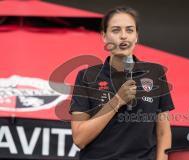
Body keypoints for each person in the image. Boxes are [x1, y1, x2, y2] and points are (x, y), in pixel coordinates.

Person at [69, 6, 175, 160]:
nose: (123, 36)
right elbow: (79, 139)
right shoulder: (87, 76)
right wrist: (117, 101)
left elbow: (163, 133)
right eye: (116, 30)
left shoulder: (155, 74)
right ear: (104, 37)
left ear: (137, 37)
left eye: (130, 30)